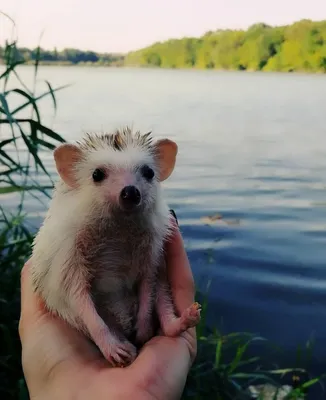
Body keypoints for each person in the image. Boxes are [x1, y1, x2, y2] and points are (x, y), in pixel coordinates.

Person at [19, 216, 197, 400]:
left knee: (155, 275)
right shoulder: (74, 231)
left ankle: (168, 321)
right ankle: (162, 323)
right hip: (104, 314)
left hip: (121, 306)